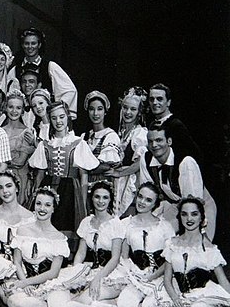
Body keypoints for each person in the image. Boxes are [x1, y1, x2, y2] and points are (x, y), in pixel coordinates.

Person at [46, 181, 125, 307]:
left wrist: (98, 279)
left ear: (110, 200)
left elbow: (115, 258)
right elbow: (81, 253)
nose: (101, 201)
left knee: (82, 300)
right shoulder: (86, 222)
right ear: (91, 198)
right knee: (65, 292)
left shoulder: (115, 224)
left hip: (110, 273)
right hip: (90, 268)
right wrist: (76, 273)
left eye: (105, 197)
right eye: (97, 197)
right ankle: (101, 305)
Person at [155, 197, 230, 307]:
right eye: (184, 214)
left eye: (194, 214)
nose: (189, 219)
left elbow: (223, 280)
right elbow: (167, 279)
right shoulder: (172, 244)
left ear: (201, 217)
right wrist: (174, 297)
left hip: (205, 295)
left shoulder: (208, 248)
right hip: (183, 296)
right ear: (180, 217)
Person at [28, 101, 99, 236]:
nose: (58, 121)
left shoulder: (78, 143)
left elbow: (84, 176)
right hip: (49, 187)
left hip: (70, 190)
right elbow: (40, 173)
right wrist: (35, 194)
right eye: (54, 118)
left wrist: (82, 203)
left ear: (68, 117)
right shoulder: (45, 144)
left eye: (61, 117)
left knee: (66, 227)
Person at [139, 124, 217, 239]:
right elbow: (148, 193)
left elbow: (193, 204)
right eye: (150, 141)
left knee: (198, 246)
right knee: (155, 235)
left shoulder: (185, 162)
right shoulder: (146, 159)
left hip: (200, 206)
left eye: (159, 140)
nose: (154, 145)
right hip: (175, 205)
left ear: (169, 141)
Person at [2, 187, 70, 307]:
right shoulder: (22, 230)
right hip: (24, 279)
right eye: (38, 203)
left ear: (53, 208)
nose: (42, 208)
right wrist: (25, 284)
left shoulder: (58, 238)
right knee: (13, 302)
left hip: (48, 283)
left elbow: (54, 273)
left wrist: (25, 283)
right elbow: (17, 261)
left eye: (47, 205)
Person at [116, 182, 175, 307]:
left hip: (161, 276)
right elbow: (124, 256)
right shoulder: (126, 224)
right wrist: (132, 274)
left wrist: (152, 276)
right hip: (138, 276)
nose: (142, 202)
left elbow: (170, 259)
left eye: (148, 200)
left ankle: (155, 303)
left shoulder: (165, 226)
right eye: (140, 197)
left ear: (155, 204)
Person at [8, 27, 78, 119]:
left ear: (39, 45)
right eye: (26, 43)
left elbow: (70, 90)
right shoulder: (15, 70)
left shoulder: (50, 66)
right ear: (22, 45)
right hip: (22, 119)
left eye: (33, 43)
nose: (30, 47)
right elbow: (9, 95)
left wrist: (54, 111)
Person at [0, 171, 35, 283]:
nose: (5, 191)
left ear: (16, 188)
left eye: (9, 186)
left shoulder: (30, 218)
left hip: (25, 270)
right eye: (0, 188)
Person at [105, 86, 148, 216]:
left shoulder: (140, 133)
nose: (128, 112)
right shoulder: (122, 134)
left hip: (131, 185)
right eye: (125, 108)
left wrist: (118, 173)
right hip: (119, 185)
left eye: (133, 109)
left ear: (139, 112)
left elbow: (139, 163)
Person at [147, 83, 202, 163]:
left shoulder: (176, 125)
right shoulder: (152, 124)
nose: (155, 103)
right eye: (152, 99)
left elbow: (193, 154)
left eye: (159, 99)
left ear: (168, 102)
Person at [2, 90, 36, 203]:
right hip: (2, 178)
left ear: (22, 111)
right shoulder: (0, 131)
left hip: (19, 178)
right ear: (5, 108)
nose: (14, 111)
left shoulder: (27, 132)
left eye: (18, 108)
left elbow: (20, 161)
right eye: (11, 107)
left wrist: (1, 162)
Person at [82, 91, 122, 182]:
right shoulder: (84, 136)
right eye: (92, 109)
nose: (95, 113)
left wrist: (83, 170)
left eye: (99, 109)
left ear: (105, 112)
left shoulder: (110, 136)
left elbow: (106, 166)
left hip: (103, 186)